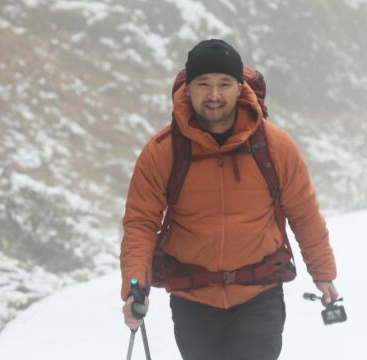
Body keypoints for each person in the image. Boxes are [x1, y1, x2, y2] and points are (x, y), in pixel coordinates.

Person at [120, 39, 338, 360]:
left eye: (224, 84)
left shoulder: (275, 145)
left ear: (239, 87)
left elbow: (303, 212)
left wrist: (323, 273)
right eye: (203, 84)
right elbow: (141, 222)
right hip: (192, 298)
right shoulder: (163, 151)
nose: (214, 95)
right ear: (187, 88)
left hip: (259, 294)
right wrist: (135, 287)